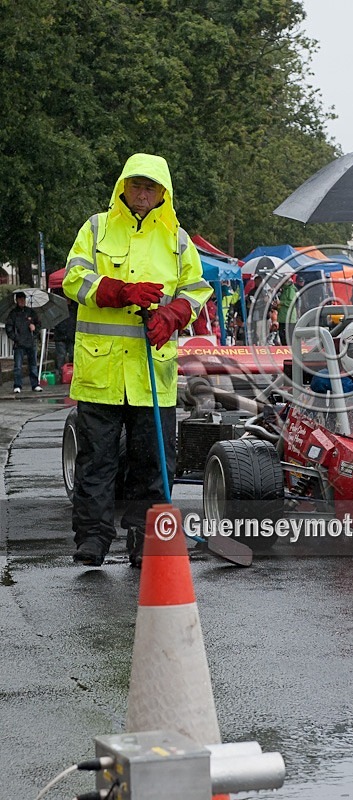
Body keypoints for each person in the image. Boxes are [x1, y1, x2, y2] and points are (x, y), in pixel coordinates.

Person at [63, 153, 212, 567]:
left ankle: (145, 540)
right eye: (136, 185)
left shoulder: (177, 239)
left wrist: (174, 314)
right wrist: (117, 291)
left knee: (151, 464)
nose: (143, 194)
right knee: (97, 461)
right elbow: (73, 277)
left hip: (153, 373)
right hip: (102, 371)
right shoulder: (96, 227)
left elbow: (197, 289)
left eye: (151, 187)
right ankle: (92, 539)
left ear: (163, 193)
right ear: (123, 187)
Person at [5, 291, 43, 393]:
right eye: (20, 299)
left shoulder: (31, 312)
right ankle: (17, 385)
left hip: (30, 341)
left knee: (33, 365)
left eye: (23, 299)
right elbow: (8, 328)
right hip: (19, 343)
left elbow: (38, 324)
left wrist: (34, 329)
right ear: (17, 300)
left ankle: (35, 384)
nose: (22, 301)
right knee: (18, 366)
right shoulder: (13, 314)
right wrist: (16, 338)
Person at [53, 296, 77, 382]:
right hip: (61, 336)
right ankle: (60, 375)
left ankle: (71, 374)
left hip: (70, 336)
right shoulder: (59, 311)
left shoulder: (73, 310)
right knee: (61, 356)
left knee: (72, 355)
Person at [277, 275, 298, 345]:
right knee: (282, 334)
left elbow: (292, 302)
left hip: (289, 317)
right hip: (283, 316)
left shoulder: (291, 289)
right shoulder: (284, 289)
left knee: (287, 336)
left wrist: (281, 302)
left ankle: (289, 349)